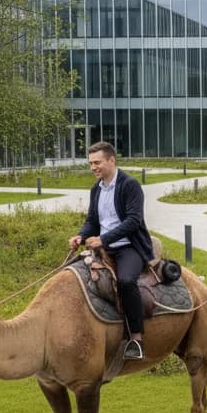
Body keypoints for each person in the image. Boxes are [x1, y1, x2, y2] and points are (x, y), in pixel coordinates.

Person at [69, 141, 155, 360]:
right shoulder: (96, 189)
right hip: (104, 248)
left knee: (126, 281)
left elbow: (134, 221)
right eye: (90, 163)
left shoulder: (130, 185)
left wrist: (103, 239)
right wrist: (81, 236)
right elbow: (92, 221)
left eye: (97, 162)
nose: (93, 167)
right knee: (71, 274)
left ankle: (136, 338)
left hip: (129, 247)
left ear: (111, 160)